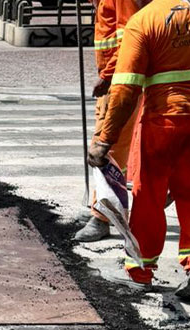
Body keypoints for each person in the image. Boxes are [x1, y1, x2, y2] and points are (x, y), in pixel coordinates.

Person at [87, 0, 190, 300]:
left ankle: (141, 272)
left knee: (149, 197)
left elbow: (125, 91)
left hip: (164, 121)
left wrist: (104, 140)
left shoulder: (144, 21)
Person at [76, 0, 145, 243]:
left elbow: (129, 39)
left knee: (106, 146)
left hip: (122, 81)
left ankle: (102, 217)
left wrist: (107, 76)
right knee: (113, 146)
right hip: (115, 79)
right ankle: (103, 208)